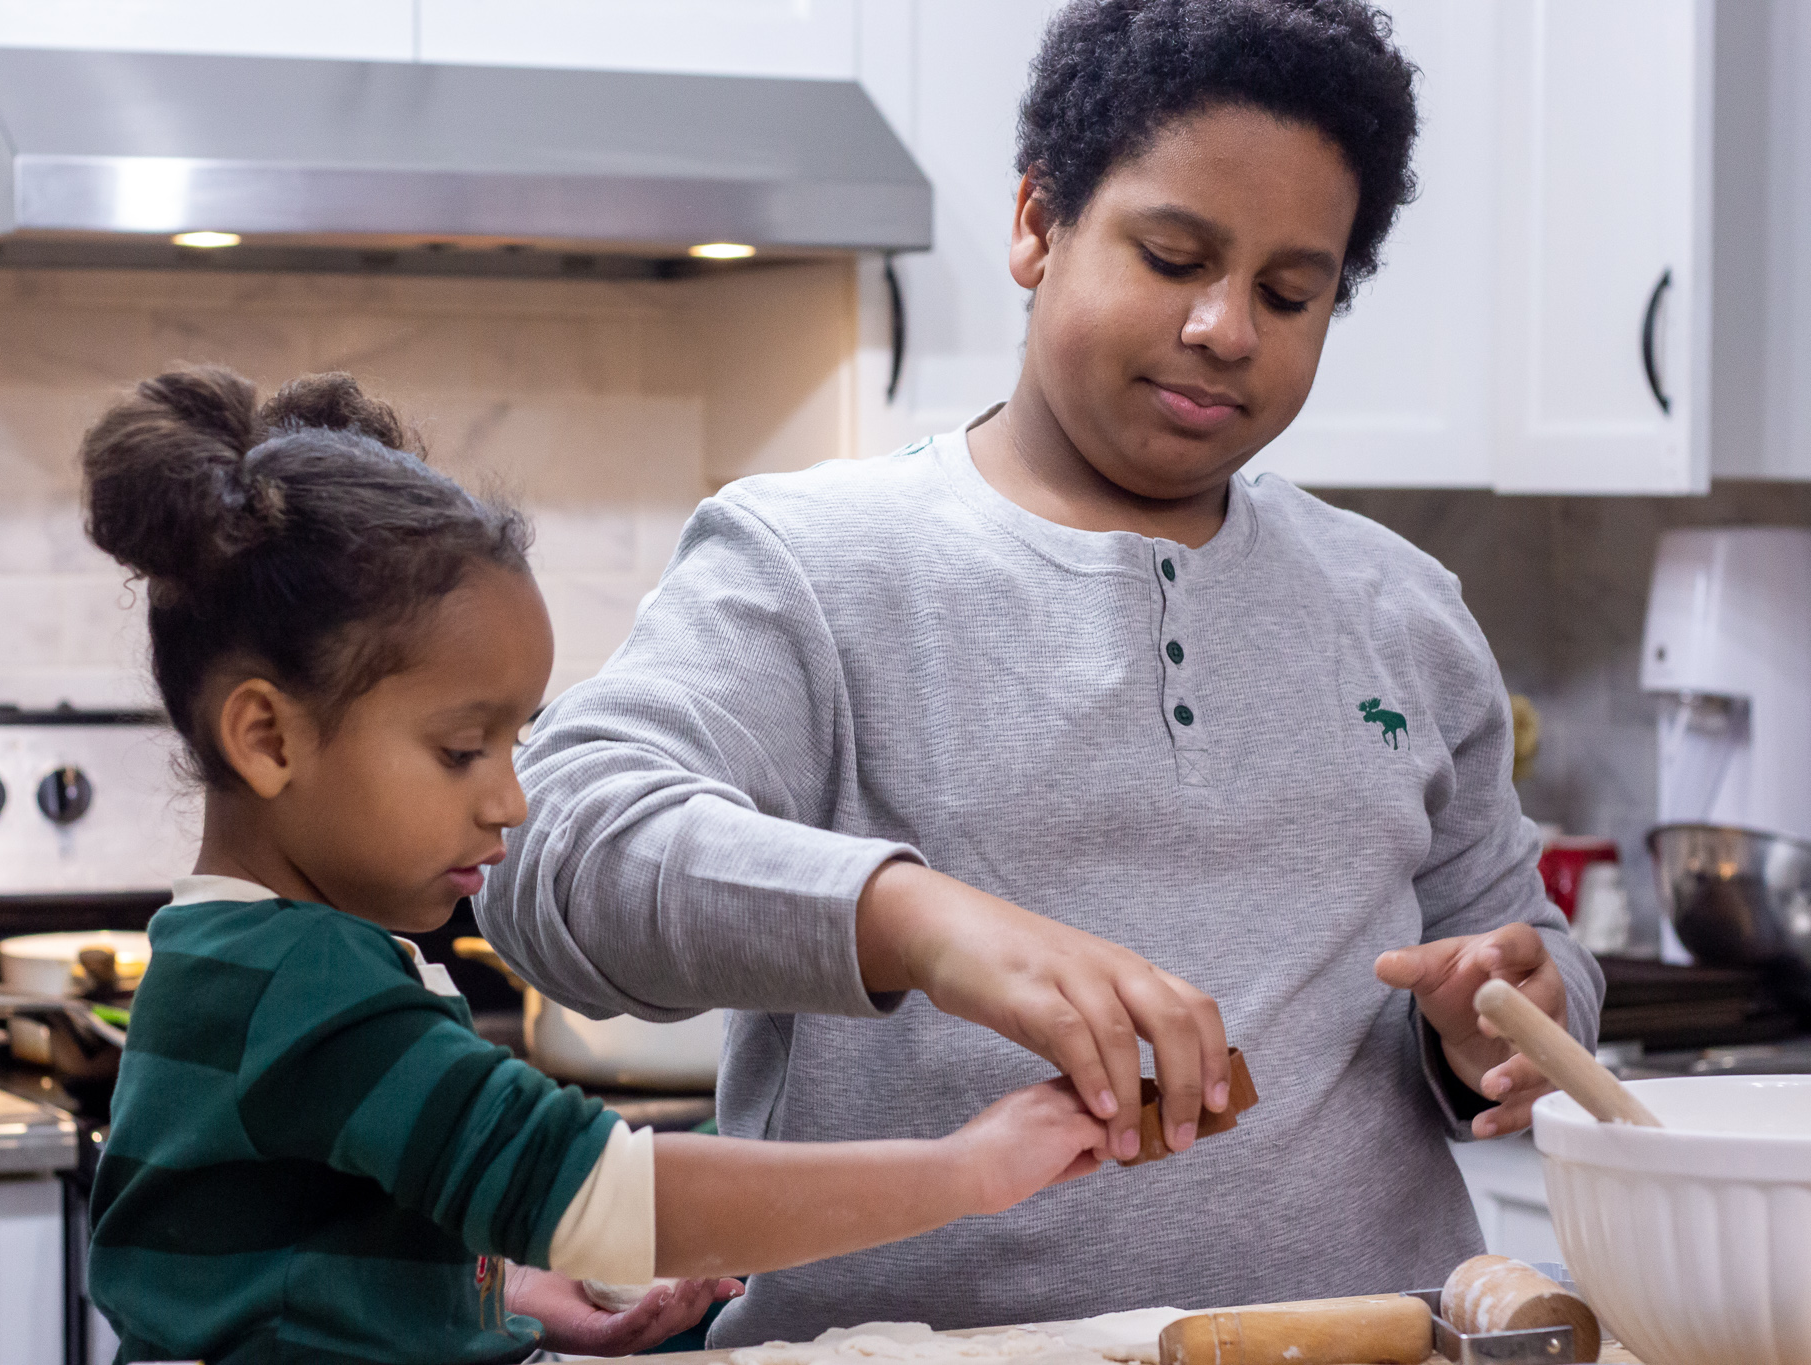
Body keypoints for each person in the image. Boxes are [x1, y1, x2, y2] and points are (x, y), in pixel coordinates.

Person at [478, 0, 1604, 1345]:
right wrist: (922, 923)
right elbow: (552, 856)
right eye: (1173, 254)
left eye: (1290, 292)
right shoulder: (814, 563)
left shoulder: (1404, 608)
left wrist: (1513, 1015)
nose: (1225, 326)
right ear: (1037, 225)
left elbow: (1527, 956)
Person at [79, 368, 1112, 1365]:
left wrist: (498, 1292)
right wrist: (966, 1173)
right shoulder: (305, 987)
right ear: (267, 738)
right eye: (458, 751)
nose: (509, 801)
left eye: (513, 743)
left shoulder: (229, 956)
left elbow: (289, 1249)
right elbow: (608, 1200)